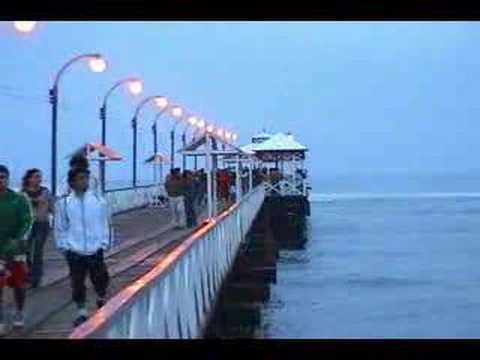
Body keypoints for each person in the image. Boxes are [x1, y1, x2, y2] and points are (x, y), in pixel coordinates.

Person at [55, 167, 112, 327]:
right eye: (80, 178)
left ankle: (101, 297)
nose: (84, 181)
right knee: (77, 282)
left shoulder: (98, 200)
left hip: (95, 247)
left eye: (86, 178)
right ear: (72, 182)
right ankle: (81, 312)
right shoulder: (64, 203)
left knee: (100, 277)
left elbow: (105, 223)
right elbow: (60, 227)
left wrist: (104, 242)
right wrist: (64, 246)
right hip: (74, 250)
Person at [0, 165, 34, 335]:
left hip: (16, 250)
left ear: (7, 178)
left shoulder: (19, 199)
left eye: (3, 177)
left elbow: (27, 221)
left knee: (19, 285)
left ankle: (19, 312)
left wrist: (18, 239)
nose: (0, 180)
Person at [21, 169, 54, 289]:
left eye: (39, 177)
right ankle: (29, 274)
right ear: (29, 179)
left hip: (42, 224)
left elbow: (53, 207)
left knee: (37, 250)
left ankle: (36, 278)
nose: (38, 179)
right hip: (27, 225)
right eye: (35, 177)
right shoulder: (22, 194)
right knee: (26, 251)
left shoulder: (45, 192)